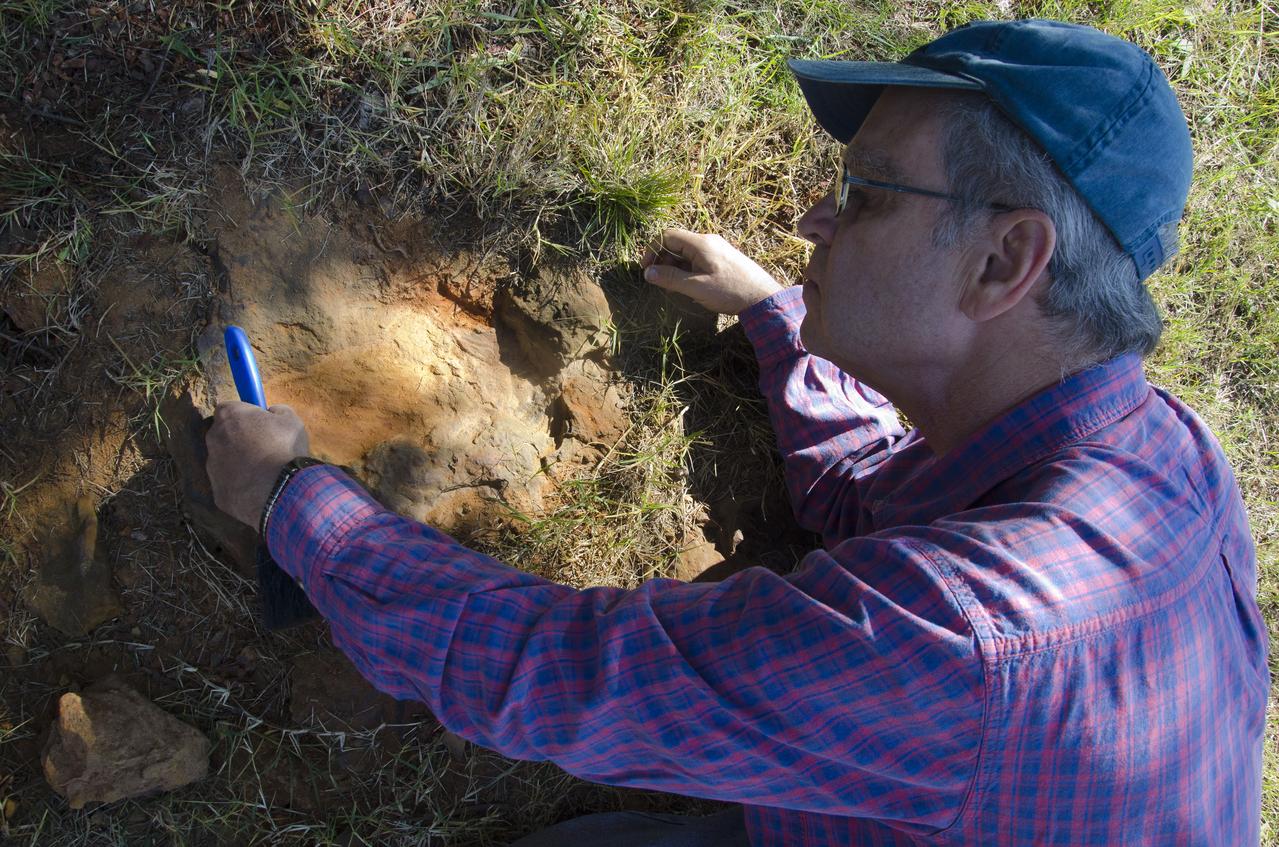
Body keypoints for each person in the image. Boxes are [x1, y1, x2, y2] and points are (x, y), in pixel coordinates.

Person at [205, 19, 1267, 846]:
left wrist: (292, 502)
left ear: (1002, 262)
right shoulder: (1158, 455)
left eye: (864, 195)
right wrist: (781, 317)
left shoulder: (962, 645)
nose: (813, 220)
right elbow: (869, 495)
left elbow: (562, 677)